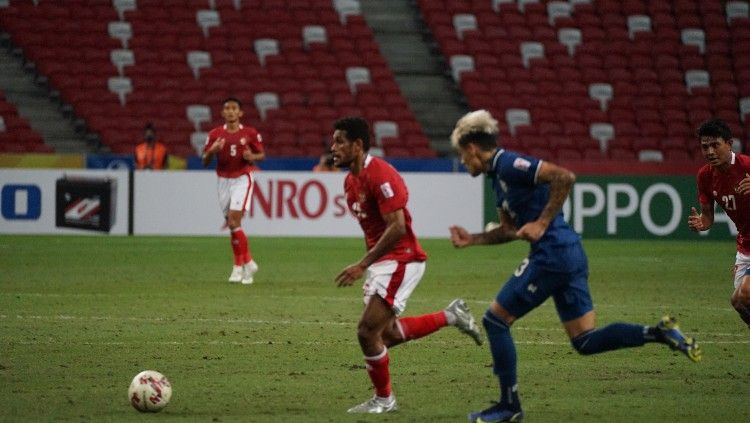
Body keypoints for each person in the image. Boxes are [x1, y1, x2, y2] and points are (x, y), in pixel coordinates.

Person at [448, 110, 702, 423]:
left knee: (495, 321)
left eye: (462, 155)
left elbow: (564, 176)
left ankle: (508, 406)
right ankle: (658, 332)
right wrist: (471, 238)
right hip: (568, 254)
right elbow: (508, 230)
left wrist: (541, 223)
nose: (463, 162)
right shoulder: (498, 182)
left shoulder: (509, 164)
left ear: (472, 148)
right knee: (584, 339)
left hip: (552, 254)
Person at [330, 116, 483, 414]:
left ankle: (384, 399)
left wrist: (363, 265)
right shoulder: (350, 181)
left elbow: (398, 227)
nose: (332, 147)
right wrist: (371, 267)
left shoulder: (380, 174)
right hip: (384, 264)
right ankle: (452, 316)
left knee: (366, 332)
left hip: (403, 259)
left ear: (358, 145)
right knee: (384, 335)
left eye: (339, 141)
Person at [688, 118, 750, 330]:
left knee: (745, 293)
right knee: (739, 302)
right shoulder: (705, 176)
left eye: (715, 145)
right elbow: (708, 217)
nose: (710, 151)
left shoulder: (747, 166)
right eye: (705, 147)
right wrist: (702, 223)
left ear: (729, 143)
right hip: (745, 245)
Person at [202, 97, 265, 285]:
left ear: (240, 113)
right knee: (232, 225)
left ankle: (241, 265)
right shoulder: (215, 134)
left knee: (233, 220)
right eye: (227, 108)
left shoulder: (250, 133)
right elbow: (205, 161)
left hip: (242, 178)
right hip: (223, 180)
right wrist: (213, 151)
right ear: (222, 113)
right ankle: (245, 265)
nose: (230, 111)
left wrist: (251, 156)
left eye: (234, 108)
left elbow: (261, 155)